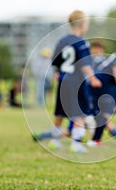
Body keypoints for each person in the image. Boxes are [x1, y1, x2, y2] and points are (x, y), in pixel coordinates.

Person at [36, 10, 101, 153]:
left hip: (63, 81)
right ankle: (76, 144)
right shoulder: (82, 42)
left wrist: (58, 73)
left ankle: (54, 141)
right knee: (80, 114)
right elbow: (85, 64)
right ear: (82, 24)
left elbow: (55, 61)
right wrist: (93, 78)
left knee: (60, 113)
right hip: (76, 83)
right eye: (87, 24)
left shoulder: (62, 41)